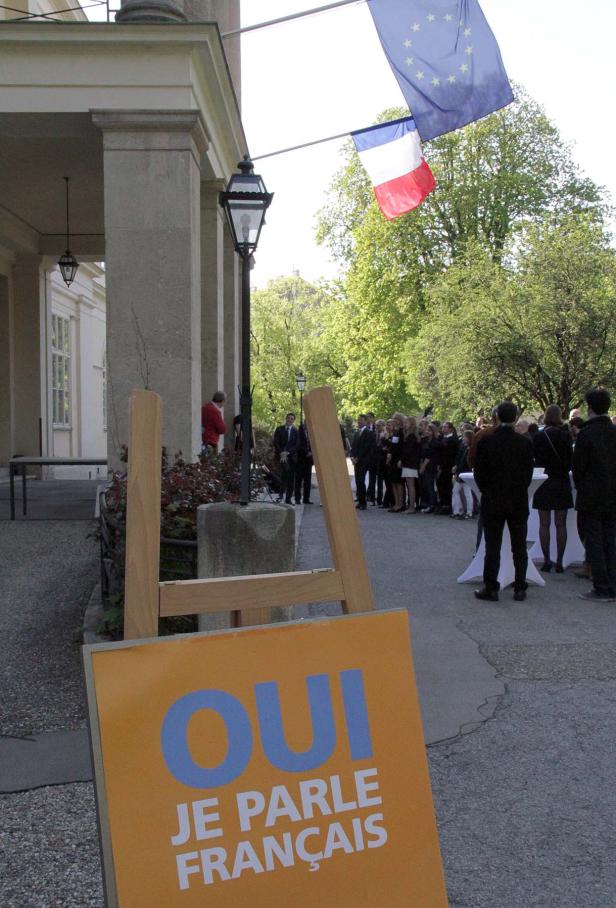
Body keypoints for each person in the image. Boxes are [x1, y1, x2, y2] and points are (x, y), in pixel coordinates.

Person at [473, 401, 534, 602]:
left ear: (497, 416)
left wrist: (487, 491)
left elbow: (479, 473)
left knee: (492, 546)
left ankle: (491, 587)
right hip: (517, 499)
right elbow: (527, 474)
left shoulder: (487, 441)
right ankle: (520, 587)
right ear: (515, 417)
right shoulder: (524, 443)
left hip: (493, 499)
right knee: (519, 546)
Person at [572, 388, 616, 602]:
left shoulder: (586, 434)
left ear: (590, 408)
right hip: (612, 493)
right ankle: (612, 583)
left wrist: (582, 485)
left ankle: (601, 585)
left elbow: (578, 467)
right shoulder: (613, 432)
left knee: (594, 541)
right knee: (610, 539)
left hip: (591, 493)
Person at [532, 404, 573, 573]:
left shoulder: (539, 436)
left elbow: (535, 459)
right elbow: (570, 460)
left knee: (544, 524)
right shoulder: (565, 436)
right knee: (561, 524)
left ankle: (547, 559)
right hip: (561, 481)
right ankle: (560, 561)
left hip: (544, 482)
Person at [350, 414, 376, 510]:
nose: (359, 422)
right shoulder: (357, 433)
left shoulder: (369, 433)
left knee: (361, 480)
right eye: (358, 420)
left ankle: (363, 502)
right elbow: (354, 446)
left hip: (364, 460)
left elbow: (366, 448)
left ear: (365, 421)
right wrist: (352, 457)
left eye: (361, 420)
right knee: (358, 481)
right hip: (356, 460)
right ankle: (360, 500)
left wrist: (358, 458)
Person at [273, 413, 299, 504]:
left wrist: (287, 453)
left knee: (290, 478)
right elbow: (276, 442)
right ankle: (280, 495)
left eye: (292, 419)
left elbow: (297, 445)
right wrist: (281, 453)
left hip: (291, 458)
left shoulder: (296, 431)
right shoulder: (279, 429)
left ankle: (288, 498)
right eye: (288, 418)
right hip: (281, 457)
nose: (290, 420)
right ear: (286, 418)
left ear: (294, 420)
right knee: (284, 474)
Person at [435, 421, 458, 514]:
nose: (443, 429)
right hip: (442, 465)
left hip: (448, 465)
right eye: (443, 427)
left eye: (445, 427)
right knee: (440, 484)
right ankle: (442, 503)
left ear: (450, 429)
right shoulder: (442, 438)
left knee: (446, 485)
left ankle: (447, 505)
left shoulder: (453, 440)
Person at [400, 416, 420, 513]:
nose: (404, 425)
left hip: (410, 463)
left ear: (411, 424)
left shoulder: (411, 436)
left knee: (410, 485)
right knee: (409, 484)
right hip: (409, 462)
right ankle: (411, 506)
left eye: (406, 423)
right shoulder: (408, 435)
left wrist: (402, 460)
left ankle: (412, 507)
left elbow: (408, 451)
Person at [386, 413, 405, 512]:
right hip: (392, 460)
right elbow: (392, 445)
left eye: (394, 419)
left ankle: (400, 504)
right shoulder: (395, 432)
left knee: (398, 482)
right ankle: (396, 503)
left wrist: (401, 459)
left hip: (398, 460)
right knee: (393, 482)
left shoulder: (402, 432)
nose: (393, 421)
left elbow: (402, 447)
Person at [294, 422, 313, 504]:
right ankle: (297, 499)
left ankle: (306, 498)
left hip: (309, 461)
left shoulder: (312, 432)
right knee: (298, 480)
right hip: (300, 460)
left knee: (307, 481)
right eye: (306, 422)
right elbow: (298, 445)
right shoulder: (299, 431)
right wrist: (306, 452)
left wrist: (311, 452)